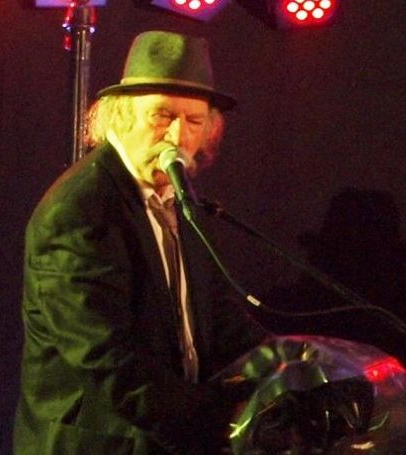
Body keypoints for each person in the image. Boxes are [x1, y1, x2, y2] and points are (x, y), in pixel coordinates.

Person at [15, 30, 268, 454]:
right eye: (162, 116)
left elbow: (215, 315)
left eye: (194, 122)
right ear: (120, 117)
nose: (178, 137)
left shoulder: (177, 196)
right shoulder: (79, 212)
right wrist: (219, 417)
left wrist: (282, 365)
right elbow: (108, 359)